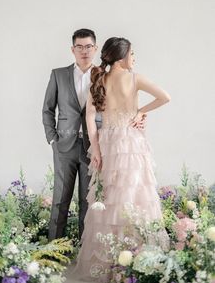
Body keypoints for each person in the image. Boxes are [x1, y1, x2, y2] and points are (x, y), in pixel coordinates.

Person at [71, 37, 171, 282]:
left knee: (108, 199)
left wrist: (95, 148)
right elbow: (165, 96)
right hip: (131, 142)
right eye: (132, 53)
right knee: (135, 195)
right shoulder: (134, 77)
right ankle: (134, 261)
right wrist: (140, 111)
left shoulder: (99, 79)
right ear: (123, 56)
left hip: (107, 142)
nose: (134, 58)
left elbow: (90, 117)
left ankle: (108, 263)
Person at [42, 29, 147, 242]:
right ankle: (52, 249)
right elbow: (48, 109)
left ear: (96, 48)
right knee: (60, 199)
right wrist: (53, 137)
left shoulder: (104, 75)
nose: (84, 51)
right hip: (65, 145)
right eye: (79, 46)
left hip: (96, 145)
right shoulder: (58, 74)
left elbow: (123, 102)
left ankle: (84, 248)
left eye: (88, 46)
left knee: (89, 201)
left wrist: (140, 113)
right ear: (73, 49)